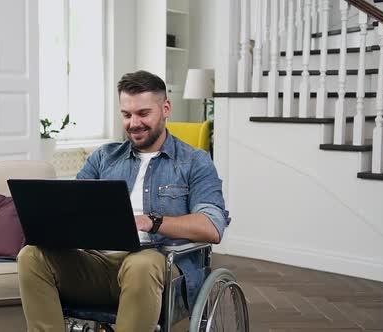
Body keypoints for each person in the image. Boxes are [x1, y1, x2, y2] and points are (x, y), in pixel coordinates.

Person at [17, 70, 230, 331]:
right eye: (126, 115)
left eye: (143, 114)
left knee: (142, 263)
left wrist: (152, 222)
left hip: (161, 267)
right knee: (31, 256)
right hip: (101, 264)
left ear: (165, 109)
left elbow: (211, 226)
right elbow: (72, 207)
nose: (133, 123)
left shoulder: (195, 162)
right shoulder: (104, 158)